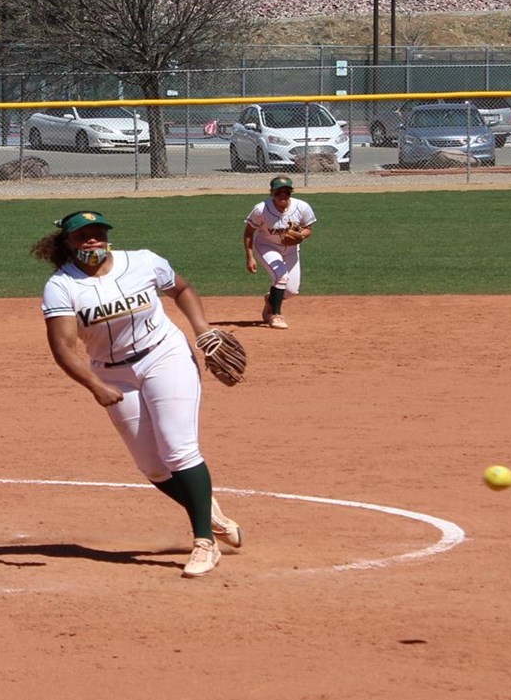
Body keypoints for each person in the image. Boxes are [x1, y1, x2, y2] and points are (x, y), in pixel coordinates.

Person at [35, 209, 243, 578]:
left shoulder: (143, 262)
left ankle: (204, 542)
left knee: (178, 449)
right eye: (83, 236)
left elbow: (181, 288)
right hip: (112, 374)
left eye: (98, 233)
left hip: (166, 356)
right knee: (151, 465)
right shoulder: (61, 286)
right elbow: (64, 347)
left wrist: (201, 330)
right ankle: (209, 514)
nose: (93, 241)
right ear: (67, 243)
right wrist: (96, 386)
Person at [244, 175, 317, 329]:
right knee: (281, 276)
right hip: (266, 247)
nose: (283, 195)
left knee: (291, 291)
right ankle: (275, 315)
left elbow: (308, 229)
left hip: (291, 250)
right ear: (272, 192)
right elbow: (248, 233)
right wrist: (250, 257)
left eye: (287, 192)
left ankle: (271, 300)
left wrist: (301, 234)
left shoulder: (302, 207)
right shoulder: (261, 209)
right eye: (279, 192)